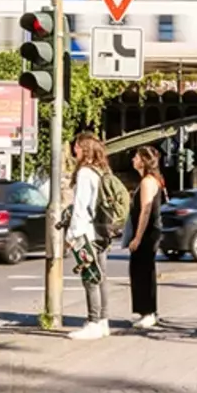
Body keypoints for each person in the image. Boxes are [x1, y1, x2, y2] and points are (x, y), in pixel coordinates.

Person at [67, 132, 111, 340]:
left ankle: (93, 322)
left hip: (86, 233)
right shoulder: (100, 170)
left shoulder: (85, 173)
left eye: (76, 146)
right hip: (102, 231)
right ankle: (103, 321)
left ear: (83, 149)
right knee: (101, 278)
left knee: (90, 278)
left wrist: (72, 234)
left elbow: (81, 207)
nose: (73, 150)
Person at [127, 145, 166, 330]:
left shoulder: (147, 182)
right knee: (144, 270)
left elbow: (145, 210)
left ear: (143, 161)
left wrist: (137, 237)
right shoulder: (153, 180)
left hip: (148, 232)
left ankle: (148, 312)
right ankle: (148, 312)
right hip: (152, 231)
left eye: (136, 157)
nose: (133, 160)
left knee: (142, 271)